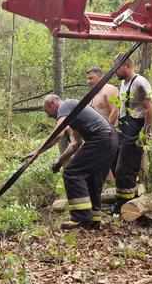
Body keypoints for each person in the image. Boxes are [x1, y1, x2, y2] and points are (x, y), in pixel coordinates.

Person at [27, 94, 118, 230]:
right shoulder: (74, 111)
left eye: (47, 111)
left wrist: (38, 151)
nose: (48, 116)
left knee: (72, 173)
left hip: (101, 138)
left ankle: (80, 217)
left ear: (53, 103)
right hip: (111, 139)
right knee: (93, 179)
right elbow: (76, 143)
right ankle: (93, 220)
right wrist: (59, 161)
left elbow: (58, 133)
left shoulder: (66, 105)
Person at [111, 57, 152, 214]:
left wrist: (145, 135)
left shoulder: (139, 82)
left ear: (126, 65)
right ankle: (127, 196)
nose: (115, 71)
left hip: (135, 128)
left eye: (117, 67)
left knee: (125, 168)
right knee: (115, 162)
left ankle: (124, 205)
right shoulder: (123, 83)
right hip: (123, 127)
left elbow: (149, 109)